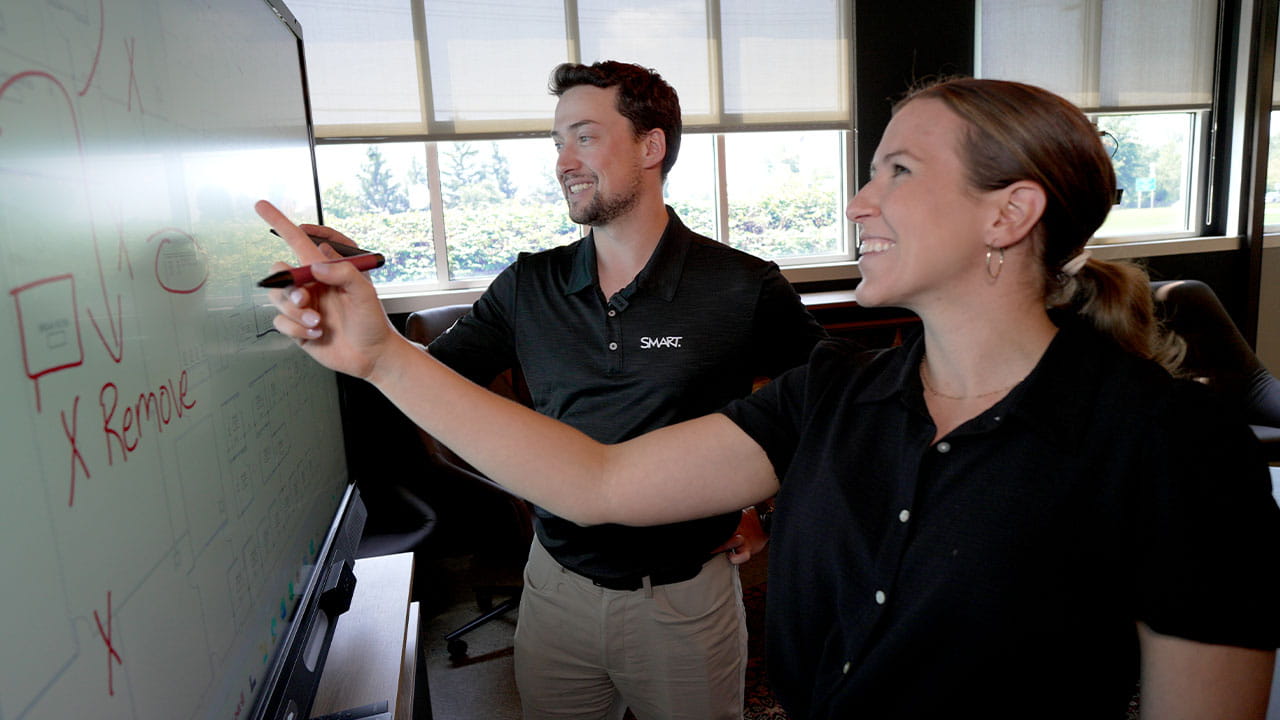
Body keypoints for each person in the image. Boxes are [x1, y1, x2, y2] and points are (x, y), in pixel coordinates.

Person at [259, 76, 1280, 718]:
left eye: (897, 170)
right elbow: (600, 480)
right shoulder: (832, 391)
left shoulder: (1174, 447)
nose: (857, 200)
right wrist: (381, 354)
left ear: (1007, 213)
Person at [292, 61, 826, 719]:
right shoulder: (528, 285)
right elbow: (432, 382)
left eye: (584, 137)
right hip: (554, 590)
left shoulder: (742, 287)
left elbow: (833, 409)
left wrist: (764, 508)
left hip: (682, 601)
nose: (562, 162)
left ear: (651, 146)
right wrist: (358, 321)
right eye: (557, 142)